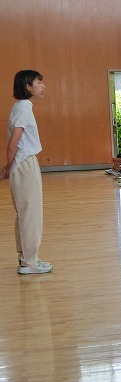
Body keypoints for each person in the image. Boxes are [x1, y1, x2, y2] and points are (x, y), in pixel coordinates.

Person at [1, 70, 52, 274]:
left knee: (25, 213)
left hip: (22, 164)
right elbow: (13, 144)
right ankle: (30, 262)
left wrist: (9, 166)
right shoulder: (23, 108)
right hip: (25, 164)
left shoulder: (21, 107)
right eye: (39, 82)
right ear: (27, 86)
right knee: (31, 214)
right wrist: (8, 165)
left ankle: (26, 259)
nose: (42, 86)